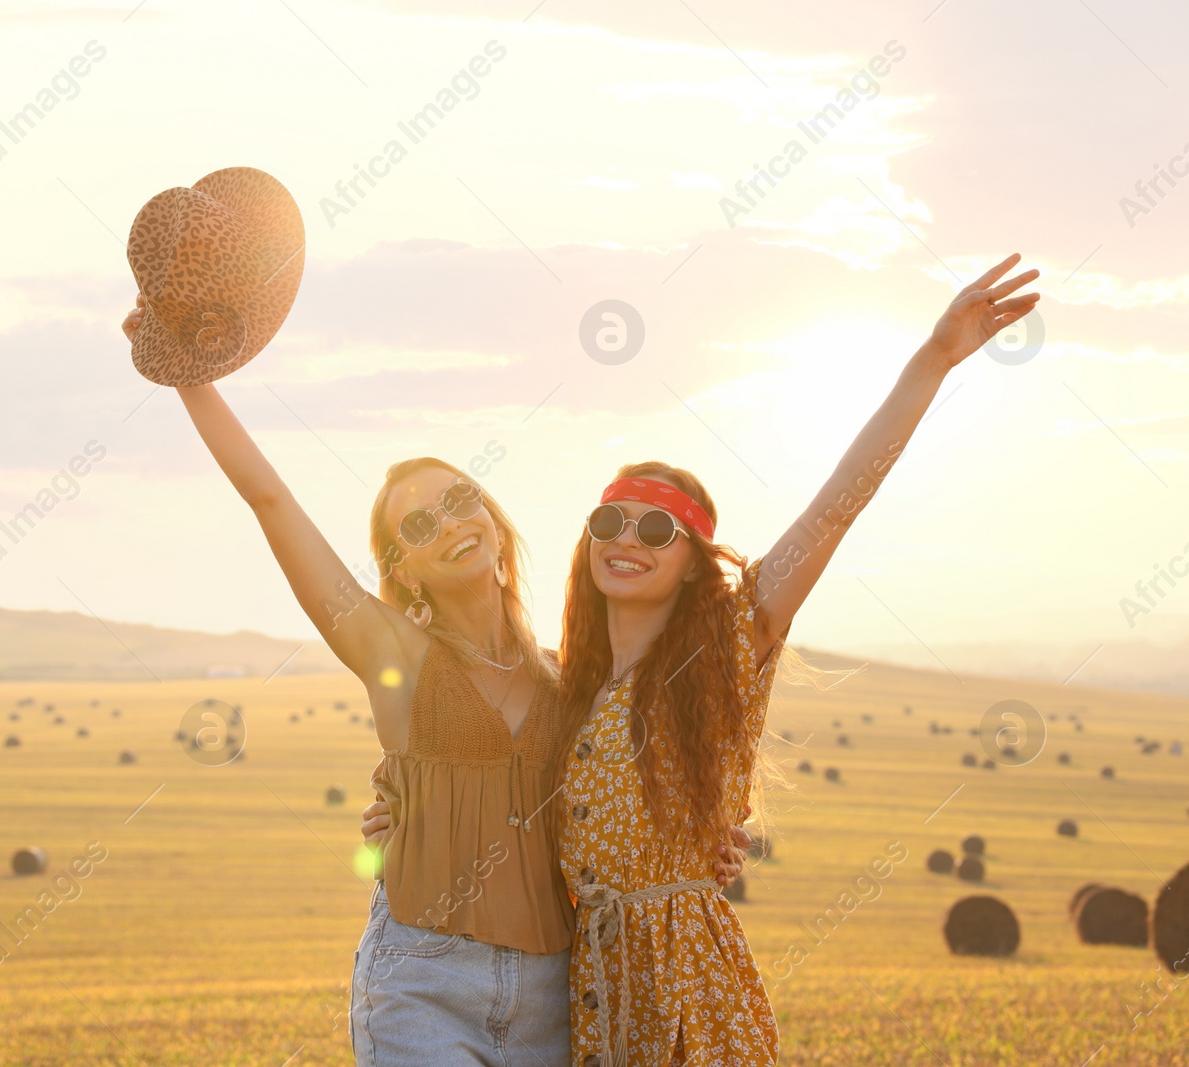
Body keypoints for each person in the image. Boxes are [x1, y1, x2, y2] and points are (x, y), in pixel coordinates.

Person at [123, 289, 750, 1067]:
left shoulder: (571, 680)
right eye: (418, 524)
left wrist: (707, 846)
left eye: (460, 500)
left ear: (489, 513)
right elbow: (270, 497)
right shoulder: (392, 651)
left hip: (561, 997)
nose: (450, 523)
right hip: (423, 985)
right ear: (404, 570)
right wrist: (188, 373)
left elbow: (627, 797)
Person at [553, 253, 1041, 1067]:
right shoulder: (561, 689)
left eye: (656, 529)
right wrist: (400, 803)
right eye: (611, 523)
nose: (627, 542)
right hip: (581, 992)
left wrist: (934, 357)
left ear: (694, 561)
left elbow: (840, 502)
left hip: (688, 992)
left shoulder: (727, 648)